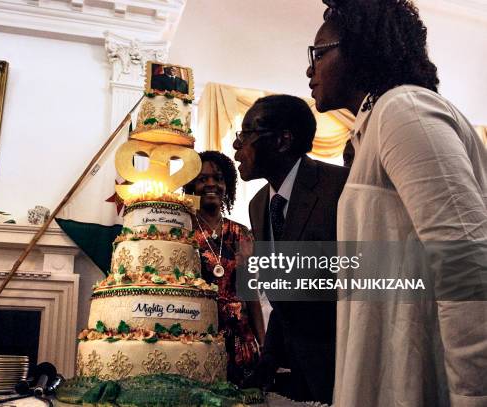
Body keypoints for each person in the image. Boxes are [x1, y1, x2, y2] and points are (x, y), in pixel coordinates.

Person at [306, 1, 487, 406]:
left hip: (421, 381)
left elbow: (466, 260)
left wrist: (474, 396)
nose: (309, 69)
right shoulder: (373, 126)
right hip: (390, 371)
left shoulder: (405, 110)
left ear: (360, 48)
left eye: (318, 53)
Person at [233, 94, 349, 404]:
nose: (236, 147)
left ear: (282, 140)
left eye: (245, 135)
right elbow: (283, 299)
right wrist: (269, 359)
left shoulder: (340, 187)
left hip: (346, 369)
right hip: (296, 374)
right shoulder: (259, 204)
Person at [184, 151, 265, 386]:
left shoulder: (242, 233)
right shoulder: (183, 232)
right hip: (201, 338)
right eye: (202, 179)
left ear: (226, 185)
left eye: (218, 178)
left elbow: (250, 293)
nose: (211, 184)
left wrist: (263, 344)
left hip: (242, 342)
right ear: (191, 186)